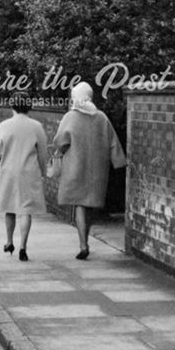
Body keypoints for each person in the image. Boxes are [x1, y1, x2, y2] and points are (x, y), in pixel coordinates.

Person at [52, 82, 127, 260]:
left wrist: (58, 153)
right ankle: (85, 240)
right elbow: (113, 142)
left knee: (79, 204)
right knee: (91, 204)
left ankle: (83, 244)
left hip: (75, 167)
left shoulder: (70, 117)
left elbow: (60, 141)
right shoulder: (101, 117)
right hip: (97, 169)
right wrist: (119, 162)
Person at [0, 92, 49, 262]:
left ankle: (9, 241)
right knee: (26, 211)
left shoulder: (4, 125)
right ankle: (23, 246)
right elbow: (43, 153)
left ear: (12, 106)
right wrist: (43, 172)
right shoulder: (36, 126)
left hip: (9, 171)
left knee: (9, 208)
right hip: (29, 172)